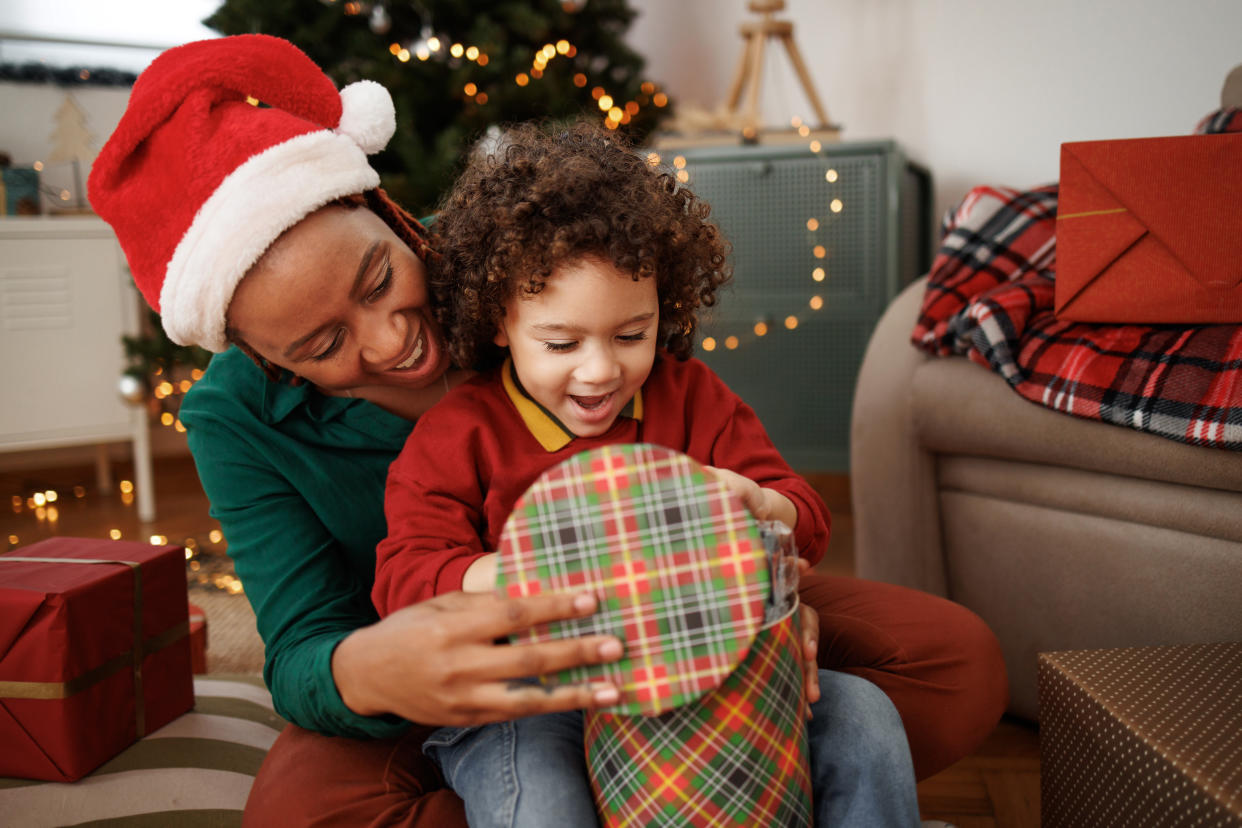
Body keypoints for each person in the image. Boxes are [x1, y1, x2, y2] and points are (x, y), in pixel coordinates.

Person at [88, 34, 1007, 826]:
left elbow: (751, 472)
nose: (392, 339)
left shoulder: (533, 255)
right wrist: (394, 664)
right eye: (322, 343)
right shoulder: (283, 420)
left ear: (381, 209)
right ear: (260, 354)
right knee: (305, 809)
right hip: (491, 677)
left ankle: (701, 782)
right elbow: (312, 643)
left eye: (378, 279)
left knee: (946, 666)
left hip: (686, 619)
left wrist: (764, 579)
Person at [372, 120, 919, 827]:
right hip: (527, 695)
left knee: (864, 718)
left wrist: (754, 501)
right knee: (538, 796)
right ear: (499, 321)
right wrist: (522, 576)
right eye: (562, 342)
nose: (602, 370)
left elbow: (804, 518)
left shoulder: (690, 397)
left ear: (667, 305)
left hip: (695, 666)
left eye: (632, 334)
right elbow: (403, 579)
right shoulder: (459, 432)